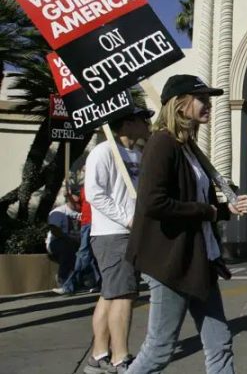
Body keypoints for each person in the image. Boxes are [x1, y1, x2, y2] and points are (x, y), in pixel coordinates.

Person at [127, 75, 247, 374]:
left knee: (220, 344)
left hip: (199, 260)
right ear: (181, 104)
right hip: (170, 263)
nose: (208, 103)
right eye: (202, 98)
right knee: (159, 351)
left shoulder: (188, 147)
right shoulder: (161, 144)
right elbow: (153, 203)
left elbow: (197, 205)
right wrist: (210, 211)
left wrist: (225, 209)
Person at [83, 106, 152, 374]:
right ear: (126, 123)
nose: (147, 123)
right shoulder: (103, 151)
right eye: (142, 118)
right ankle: (119, 359)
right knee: (123, 295)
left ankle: (99, 355)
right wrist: (126, 218)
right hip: (113, 234)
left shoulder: (136, 153)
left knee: (110, 295)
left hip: (129, 233)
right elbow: (94, 193)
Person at [47, 192, 83, 293]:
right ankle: (62, 278)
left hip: (78, 242)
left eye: (79, 202)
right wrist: (70, 239)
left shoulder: (83, 212)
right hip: (58, 242)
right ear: (69, 199)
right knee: (66, 248)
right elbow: (55, 230)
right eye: (74, 201)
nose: (77, 204)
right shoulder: (59, 212)